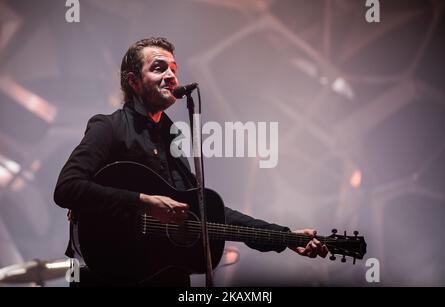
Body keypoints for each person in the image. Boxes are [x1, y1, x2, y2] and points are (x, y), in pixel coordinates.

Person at [54, 37, 328, 287]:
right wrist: (142, 201)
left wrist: (286, 237)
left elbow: (207, 212)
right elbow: (67, 187)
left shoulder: (170, 135)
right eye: (159, 68)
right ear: (134, 81)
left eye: (174, 68)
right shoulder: (109, 127)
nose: (171, 76)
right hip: (111, 275)